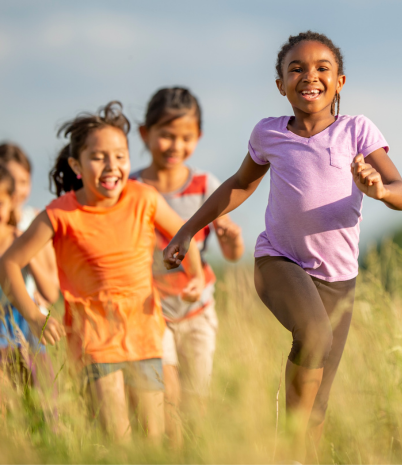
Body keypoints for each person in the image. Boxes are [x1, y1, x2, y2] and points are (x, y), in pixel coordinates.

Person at [163, 31, 402, 462]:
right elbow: (239, 184)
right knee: (312, 334)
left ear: (340, 82)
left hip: (338, 278)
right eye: (296, 68)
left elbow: (398, 187)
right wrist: (188, 230)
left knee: (318, 405)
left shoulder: (357, 130)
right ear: (280, 85)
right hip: (279, 259)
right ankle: (286, 447)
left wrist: (380, 191)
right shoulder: (269, 134)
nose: (309, 76)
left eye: (321, 68)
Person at [0, 101, 205, 443]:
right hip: (93, 341)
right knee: (117, 439)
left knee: (154, 439)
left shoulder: (145, 197)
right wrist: (34, 317)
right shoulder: (60, 214)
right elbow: (8, 263)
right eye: (98, 157)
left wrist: (195, 275)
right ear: (76, 164)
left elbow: (185, 234)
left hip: (145, 337)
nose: (112, 166)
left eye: (120, 155)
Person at [130, 87, 244, 445]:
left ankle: (190, 451)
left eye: (185, 137)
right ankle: (169, 451)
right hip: (151, 310)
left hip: (198, 309)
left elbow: (231, 255)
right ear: (145, 134)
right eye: (166, 135)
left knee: (197, 398)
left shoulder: (206, 186)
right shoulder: (131, 187)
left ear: (198, 137)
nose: (175, 146)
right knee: (167, 396)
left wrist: (230, 237)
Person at [0, 164, 57, 393]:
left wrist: (26, 255)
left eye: (0, 203)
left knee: (39, 392)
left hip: (24, 320)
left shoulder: (20, 239)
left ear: (12, 201)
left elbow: (50, 293)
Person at [0, 143, 59, 309]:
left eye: (23, 182)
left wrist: (23, 251)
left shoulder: (36, 221)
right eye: (10, 180)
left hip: (26, 318)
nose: (17, 189)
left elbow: (51, 287)